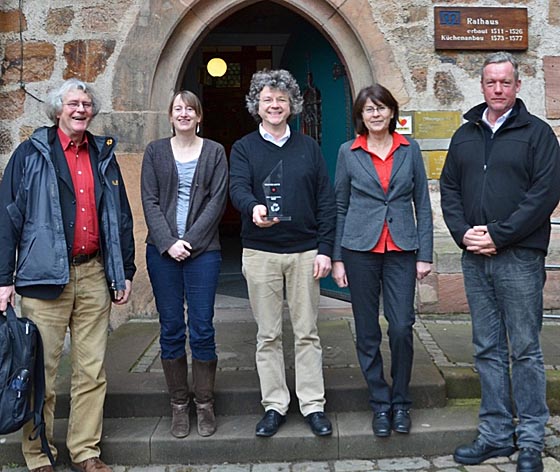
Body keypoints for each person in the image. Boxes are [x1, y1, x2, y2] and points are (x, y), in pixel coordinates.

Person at [0, 78, 136, 472]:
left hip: (94, 273)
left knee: (91, 369)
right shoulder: (30, 154)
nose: (81, 110)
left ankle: (86, 451)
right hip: (44, 279)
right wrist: (4, 279)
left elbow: (120, 218)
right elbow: (7, 220)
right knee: (39, 370)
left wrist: (123, 270)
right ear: (58, 109)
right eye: (74, 103)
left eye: (87, 104)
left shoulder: (102, 155)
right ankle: (38, 454)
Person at [440, 52, 560, 472]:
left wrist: (499, 234)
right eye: (491, 82)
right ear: (482, 85)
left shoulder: (538, 134)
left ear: (517, 85)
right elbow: (450, 189)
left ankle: (529, 440)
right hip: (475, 258)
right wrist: (464, 234)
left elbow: (544, 195)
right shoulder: (465, 135)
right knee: (486, 349)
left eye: (505, 82)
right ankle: (494, 435)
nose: (497, 89)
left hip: (520, 259)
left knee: (524, 350)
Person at [229, 69, 336, 438]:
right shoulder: (244, 147)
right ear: (257, 106)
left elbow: (326, 200)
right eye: (267, 100)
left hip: (306, 252)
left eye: (281, 100)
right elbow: (238, 186)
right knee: (268, 335)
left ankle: (313, 404)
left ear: (292, 106)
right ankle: (274, 404)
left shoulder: (309, 148)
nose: (275, 105)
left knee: (307, 333)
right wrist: (253, 207)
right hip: (260, 253)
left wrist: (325, 249)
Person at [331, 84, 433, 438]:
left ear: (392, 112)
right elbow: (340, 205)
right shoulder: (348, 152)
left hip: (403, 250)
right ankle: (380, 402)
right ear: (360, 117)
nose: (375, 115)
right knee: (367, 331)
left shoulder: (410, 149)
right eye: (367, 110)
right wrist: (337, 258)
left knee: (402, 326)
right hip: (359, 250)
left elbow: (423, 202)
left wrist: (426, 254)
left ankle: (402, 401)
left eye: (380, 108)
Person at [141, 90, 228, 438]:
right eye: (178, 108)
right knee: (172, 326)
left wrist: (188, 241)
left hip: (203, 252)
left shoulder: (215, 152)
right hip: (162, 253)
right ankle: (179, 404)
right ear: (170, 114)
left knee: (203, 326)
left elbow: (217, 201)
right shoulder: (155, 151)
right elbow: (148, 199)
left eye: (190, 109)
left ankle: (204, 403)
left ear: (199, 115)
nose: (184, 114)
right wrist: (168, 243)